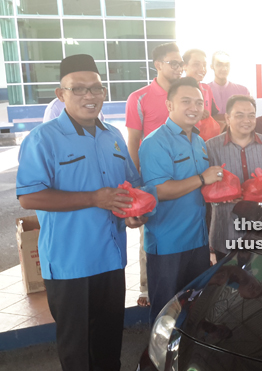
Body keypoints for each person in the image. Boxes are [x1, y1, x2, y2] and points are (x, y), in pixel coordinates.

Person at [16, 54, 151, 371]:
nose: (89, 96)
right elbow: (29, 196)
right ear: (60, 94)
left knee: (108, 347)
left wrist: (133, 212)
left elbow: (131, 185)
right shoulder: (43, 139)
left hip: (111, 260)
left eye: (96, 88)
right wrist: (94, 198)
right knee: (78, 353)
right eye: (78, 89)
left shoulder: (113, 136)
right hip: (69, 264)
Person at [138, 77, 224, 324]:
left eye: (199, 102)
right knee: (166, 312)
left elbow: (203, 187)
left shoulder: (198, 141)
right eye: (186, 101)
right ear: (169, 105)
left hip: (197, 240)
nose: (194, 107)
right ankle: (158, 360)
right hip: (168, 243)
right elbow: (160, 190)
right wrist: (202, 178)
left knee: (193, 307)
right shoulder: (155, 142)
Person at [125, 42, 182, 307]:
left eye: (181, 63)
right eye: (174, 63)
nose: (179, 68)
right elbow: (133, 140)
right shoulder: (139, 97)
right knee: (150, 231)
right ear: (158, 64)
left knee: (185, 226)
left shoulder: (188, 94)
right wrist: (136, 183)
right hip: (153, 177)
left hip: (185, 175)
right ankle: (146, 288)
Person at [206, 95, 262, 261]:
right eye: (239, 115)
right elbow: (202, 185)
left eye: (251, 115)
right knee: (227, 282)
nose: (247, 120)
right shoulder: (210, 148)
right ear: (228, 118)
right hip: (225, 231)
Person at [182, 48, 224, 126]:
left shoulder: (207, 89)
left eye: (204, 65)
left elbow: (214, 115)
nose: (202, 69)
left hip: (204, 136)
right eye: (196, 64)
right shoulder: (176, 88)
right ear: (184, 66)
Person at [208, 51, 249, 122]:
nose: (224, 69)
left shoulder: (243, 91)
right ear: (212, 66)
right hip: (210, 132)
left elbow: (247, 116)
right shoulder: (204, 91)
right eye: (219, 65)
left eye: (227, 65)